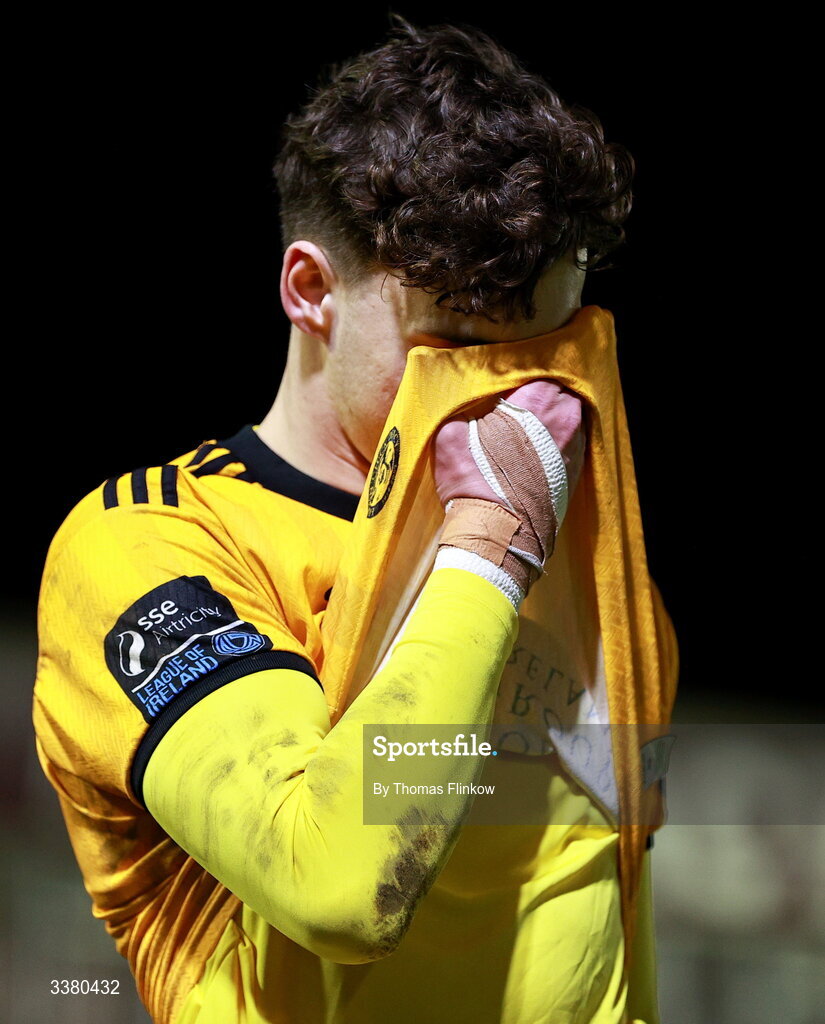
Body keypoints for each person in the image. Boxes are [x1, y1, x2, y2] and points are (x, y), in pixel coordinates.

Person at [33, 16, 677, 1024]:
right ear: (310, 291)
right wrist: (486, 550)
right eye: (457, 346)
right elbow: (338, 885)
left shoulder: (582, 548)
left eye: (545, 349)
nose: (514, 402)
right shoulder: (149, 547)